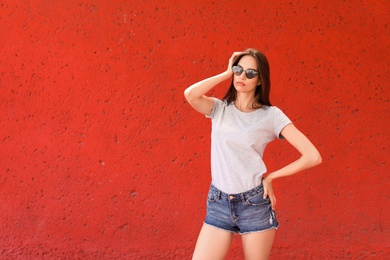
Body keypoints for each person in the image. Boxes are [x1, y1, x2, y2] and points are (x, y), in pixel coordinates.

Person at [184, 48, 322, 260]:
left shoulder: (271, 115)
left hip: (254, 203)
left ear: (260, 80)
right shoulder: (220, 109)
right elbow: (190, 94)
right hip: (219, 202)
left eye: (250, 73)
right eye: (239, 70)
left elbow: (312, 156)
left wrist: (272, 176)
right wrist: (226, 73)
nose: (242, 76)